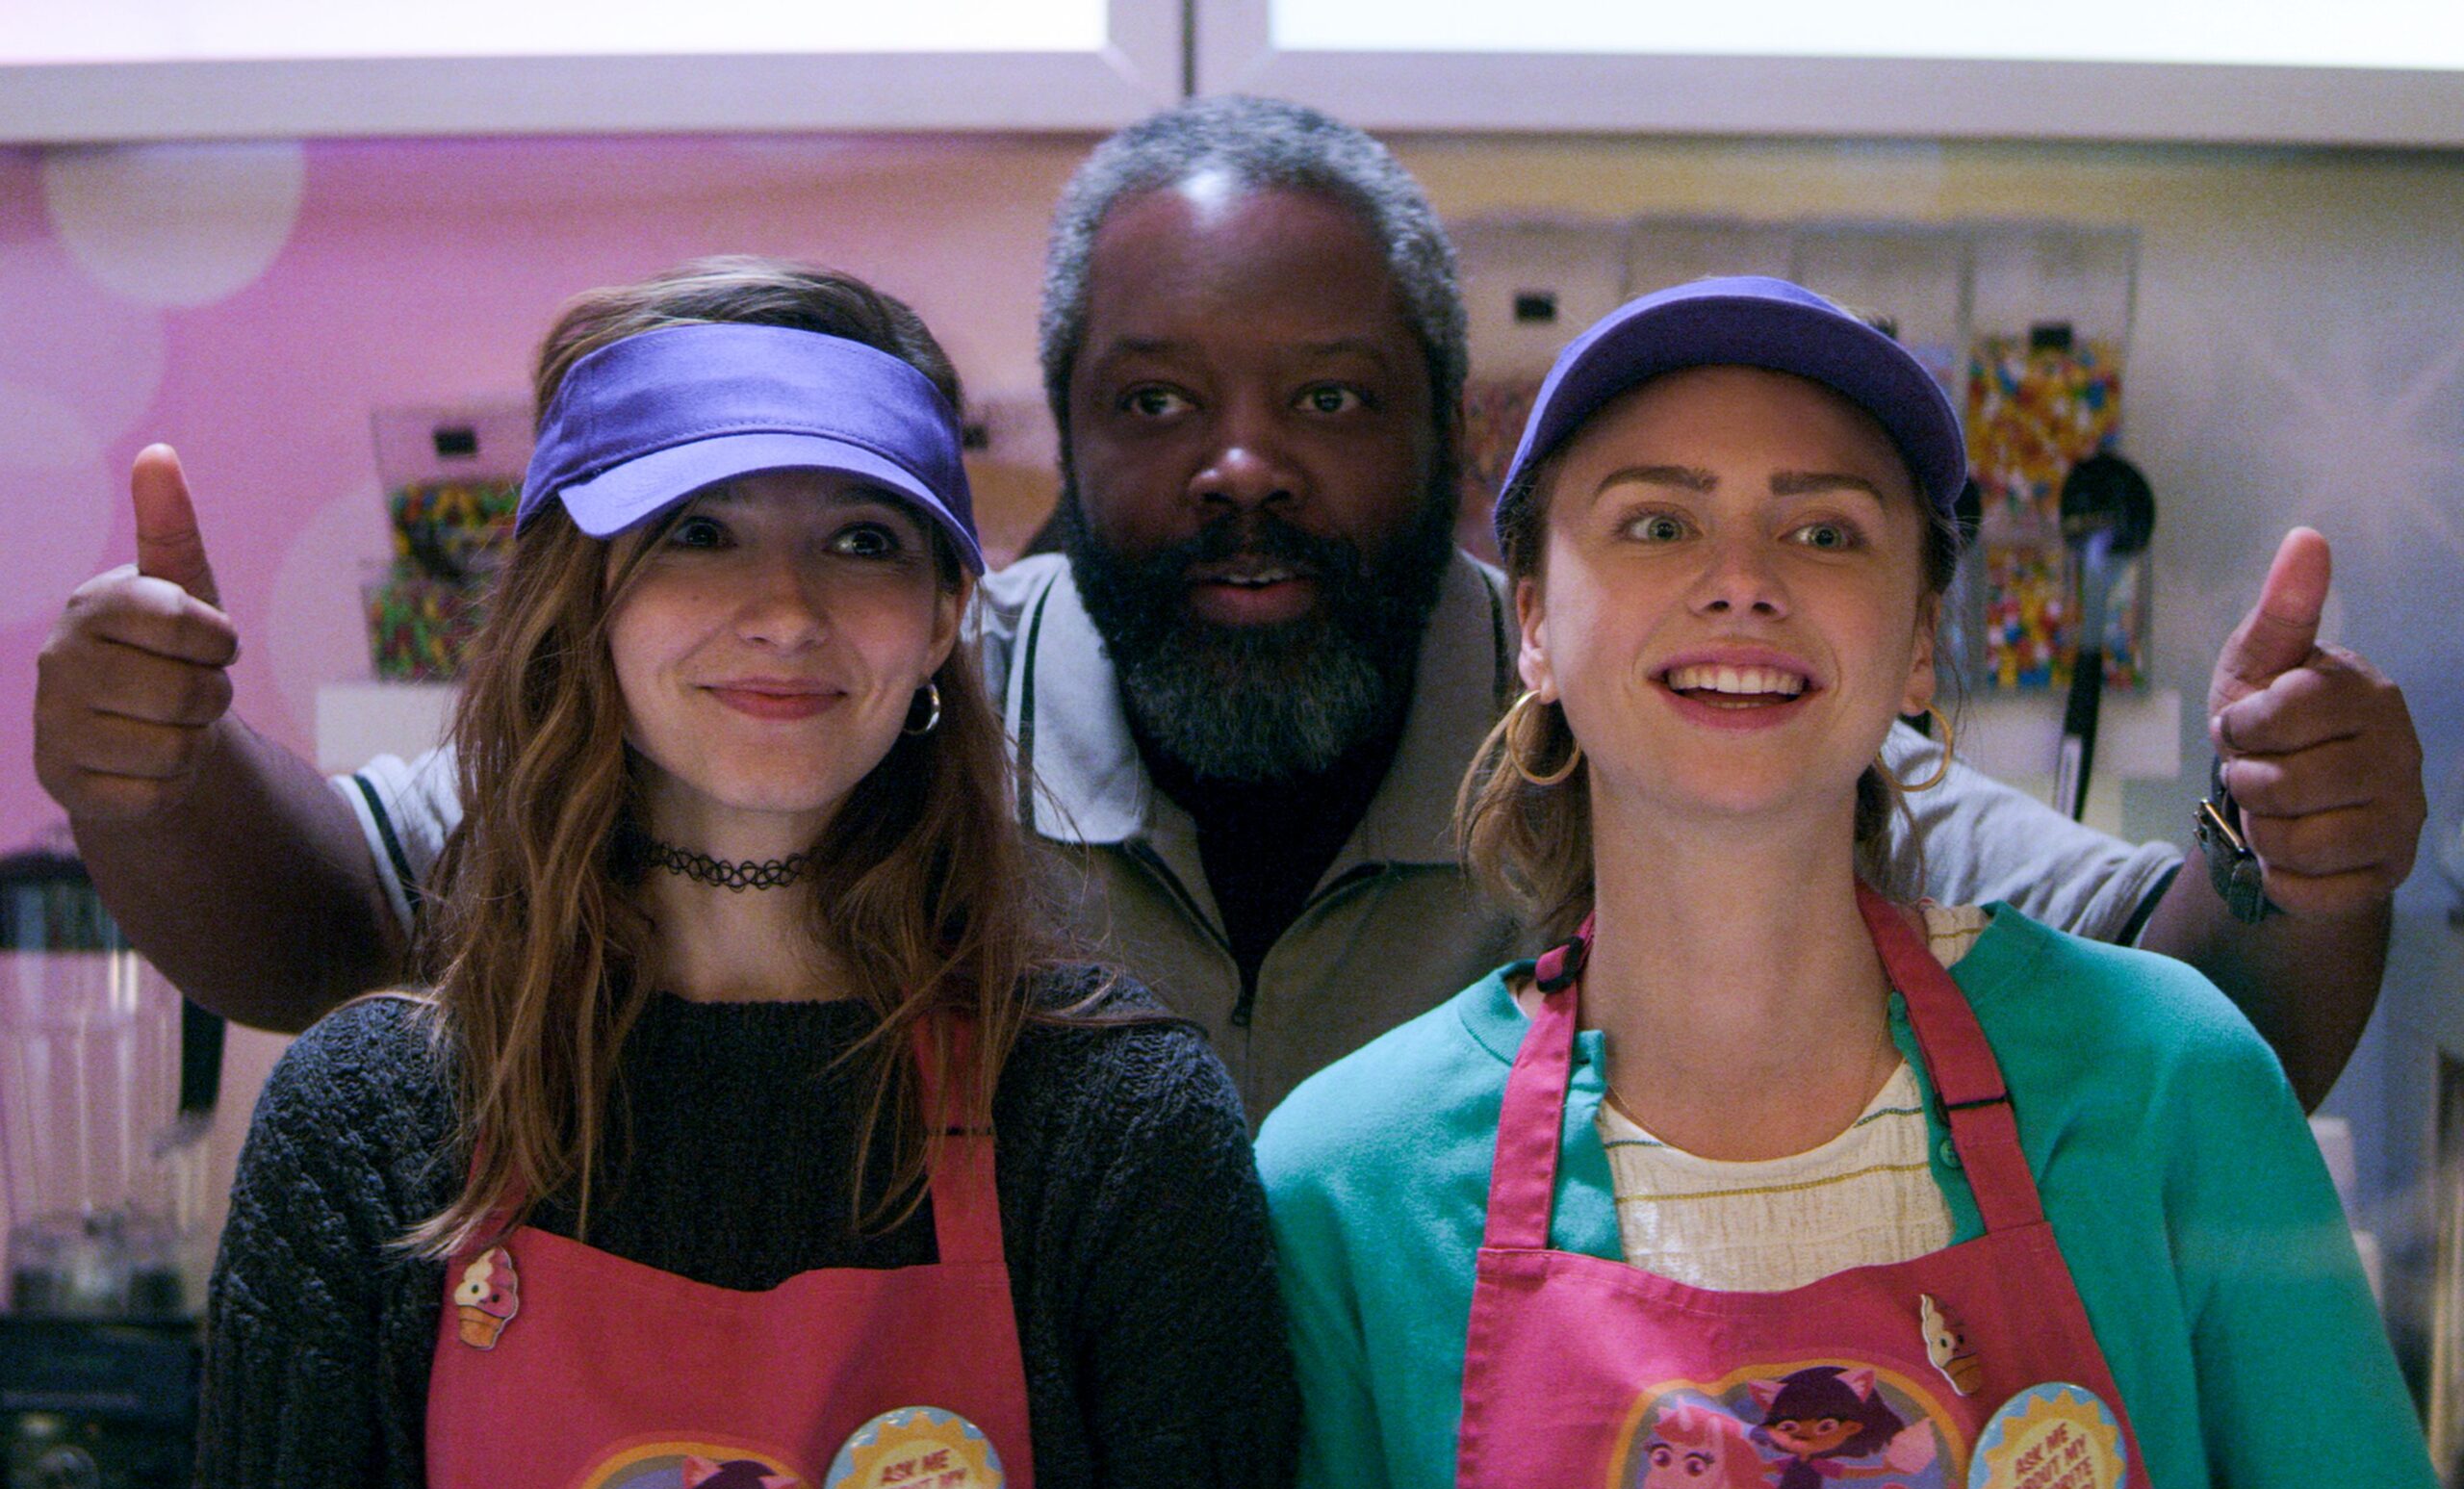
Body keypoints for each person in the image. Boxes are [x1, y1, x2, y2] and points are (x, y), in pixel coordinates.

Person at [33, 99, 2425, 1118]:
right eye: (1158, 399)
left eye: (1328, 398)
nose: (1245, 463)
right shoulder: (886, 694)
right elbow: (341, 916)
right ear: (1060, 443)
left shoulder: (1646, 711)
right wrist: (155, 770)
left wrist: (2288, 851)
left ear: (1453, 448)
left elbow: (2192, 1026)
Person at [1255, 277, 2460, 1489]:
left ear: (1916, 647)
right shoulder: (1347, 1182)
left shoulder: (2169, 1077)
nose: (1745, 580)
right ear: (1532, 623)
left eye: (1825, 530)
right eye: (1658, 522)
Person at [182, 259, 1294, 1489]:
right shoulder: (373, 1127)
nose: (784, 607)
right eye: (699, 530)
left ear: (951, 610)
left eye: (863, 539)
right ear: (582, 600)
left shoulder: (1115, 1135)